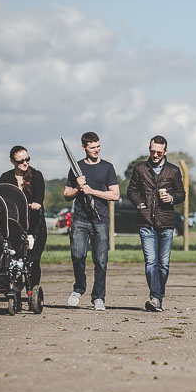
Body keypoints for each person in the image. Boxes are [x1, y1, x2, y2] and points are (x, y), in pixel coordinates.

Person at [127, 135, 185, 312]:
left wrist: (172, 198)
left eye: (159, 152)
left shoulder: (173, 171)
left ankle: (157, 296)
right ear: (149, 149)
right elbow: (131, 191)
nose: (155, 155)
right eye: (153, 151)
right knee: (151, 262)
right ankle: (155, 297)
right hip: (146, 222)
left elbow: (182, 193)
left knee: (164, 264)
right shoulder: (140, 169)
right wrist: (139, 204)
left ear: (165, 152)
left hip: (166, 222)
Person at [63, 131, 119, 311]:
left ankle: (98, 297)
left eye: (98, 147)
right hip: (80, 219)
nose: (96, 150)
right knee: (78, 255)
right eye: (93, 147)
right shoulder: (76, 167)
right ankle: (79, 288)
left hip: (100, 220)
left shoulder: (107, 167)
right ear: (84, 147)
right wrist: (79, 188)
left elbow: (115, 194)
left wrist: (92, 191)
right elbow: (66, 195)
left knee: (100, 260)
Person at [0, 146, 47, 289]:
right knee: (15, 259)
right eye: (21, 161)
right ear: (12, 162)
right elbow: (1, 196)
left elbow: (39, 198)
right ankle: (16, 289)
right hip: (14, 225)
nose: (25, 163)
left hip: (34, 224)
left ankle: (33, 289)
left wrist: (36, 204)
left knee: (34, 260)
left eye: (27, 159)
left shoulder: (36, 176)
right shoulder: (6, 177)